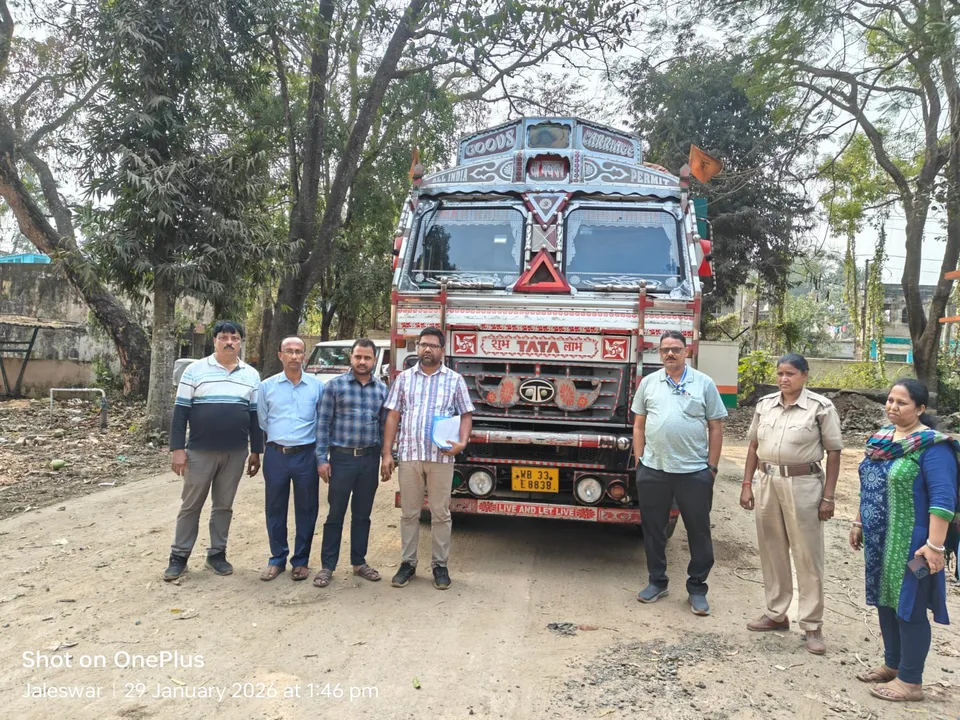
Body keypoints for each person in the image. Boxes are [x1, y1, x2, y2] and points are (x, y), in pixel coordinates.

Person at [851, 379, 959, 703]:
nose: (893, 407)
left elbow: (943, 500)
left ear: (921, 409)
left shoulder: (933, 446)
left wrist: (935, 547)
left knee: (909, 608)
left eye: (902, 402)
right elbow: (867, 486)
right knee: (886, 602)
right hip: (880, 540)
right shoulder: (881, 440)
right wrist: (858, 521)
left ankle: (911, 681)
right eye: (890, 400)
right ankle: (893, 664)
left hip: (917, 546)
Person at [739, 354, 843, 654]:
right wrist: (747, 484)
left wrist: (829, 496)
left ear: (805, 376)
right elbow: (754, 446)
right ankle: (776, 612)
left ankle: (812, 624)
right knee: (772, 550)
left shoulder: (821, 408)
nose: (784, 379)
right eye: (780, 373)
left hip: (805, 485)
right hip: (768, 481)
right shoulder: (765, 405)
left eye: (791, 373)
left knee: (807, 555)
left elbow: (834, 453)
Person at [632, 330, 727, 616]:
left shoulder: (704, 384)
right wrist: (640, 462)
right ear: (659, 354)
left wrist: (711, 468)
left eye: (675, 349)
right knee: (653, 530)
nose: (669, 354)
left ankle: (697, 589)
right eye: (664, 350)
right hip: (654, 471)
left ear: (687, 352)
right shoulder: (648, 383)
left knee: (698, 532)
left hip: (694, 472)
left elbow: (715, 427)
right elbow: (639, 424)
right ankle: (657, 581)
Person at [165, 320, 262, 581]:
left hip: (236, 453)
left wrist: (256, 451)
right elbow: (180, 412)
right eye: (223, 337)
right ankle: (179, 557)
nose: (229, 342)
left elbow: (254, 417)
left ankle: (216, 555)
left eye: (234, 337)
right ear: (215, 341)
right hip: (199, 452)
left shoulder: (251, 375)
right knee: (190, 505)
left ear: (241, 342)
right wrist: (177, 449)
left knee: (223, 506)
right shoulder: (195, 371)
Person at [380, 327, 474, 590]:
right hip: (409, 456)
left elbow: (466, 414)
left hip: (441, 458)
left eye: (433, 345)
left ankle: (440, 566)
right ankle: (407, 564)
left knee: (440, 514)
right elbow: (393, 416)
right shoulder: (405, 379)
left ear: (442, 351)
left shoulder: (454, 380)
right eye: (423, 345)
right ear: (417, 348)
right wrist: (388, 453)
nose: (427, 349)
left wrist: (462, 443)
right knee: (409, 513)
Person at [313, 339, 389, 588]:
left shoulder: (381, 389)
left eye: (367, 358)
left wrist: (385, 456)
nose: (362, 362)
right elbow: (322, 424)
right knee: (335, 514)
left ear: (374, 360)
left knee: (362, 514)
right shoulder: (334, 387)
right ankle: (327, 566)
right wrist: (321, 459)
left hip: (369, 459)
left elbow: (384, 426)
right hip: (342, 459)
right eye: (358, 357)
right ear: (351, 358)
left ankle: (359, 562)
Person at [256, 337, 324, 582]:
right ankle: (277, 560)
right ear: (280, 355)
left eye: (299, 352)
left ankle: (301, 561)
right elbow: (263, 421)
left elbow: (321, 422)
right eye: (289, 352)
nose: (294, 356)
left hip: (306, 455)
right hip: (276, 454)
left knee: (307, 509)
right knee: (275, 508)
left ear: (304, 356)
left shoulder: (317, 387)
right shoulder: (266, 387)